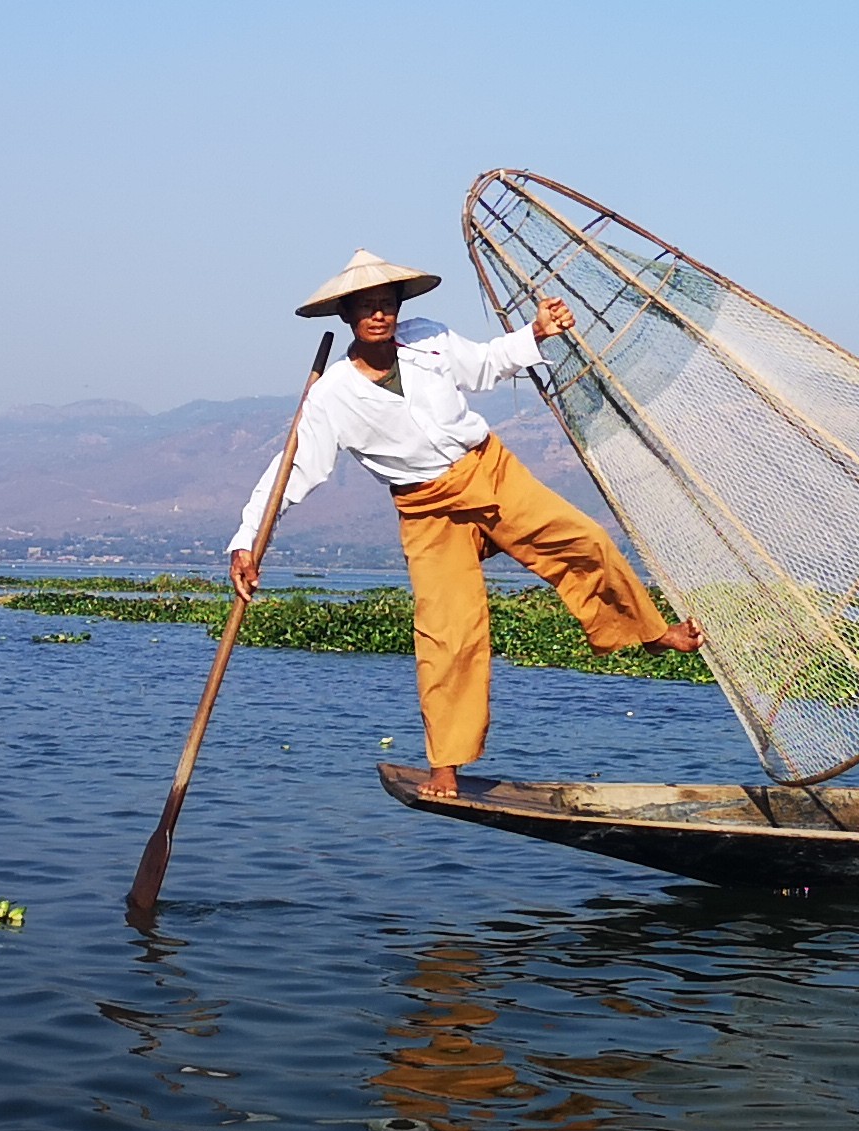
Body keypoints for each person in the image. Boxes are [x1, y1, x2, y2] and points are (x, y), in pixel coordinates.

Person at [229, 247, 703, 798]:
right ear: (348, 317)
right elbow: (290, 471)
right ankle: (446, 763)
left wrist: (537, 331)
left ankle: (649, 632)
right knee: (449, 630)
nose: (380, 314)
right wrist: (247, 542)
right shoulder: (332, 395)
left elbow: (483, 364)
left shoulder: (428, 338)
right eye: (368, 307)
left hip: (489, 470)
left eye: (388, 304)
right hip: (427, 509)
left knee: (584, 540)